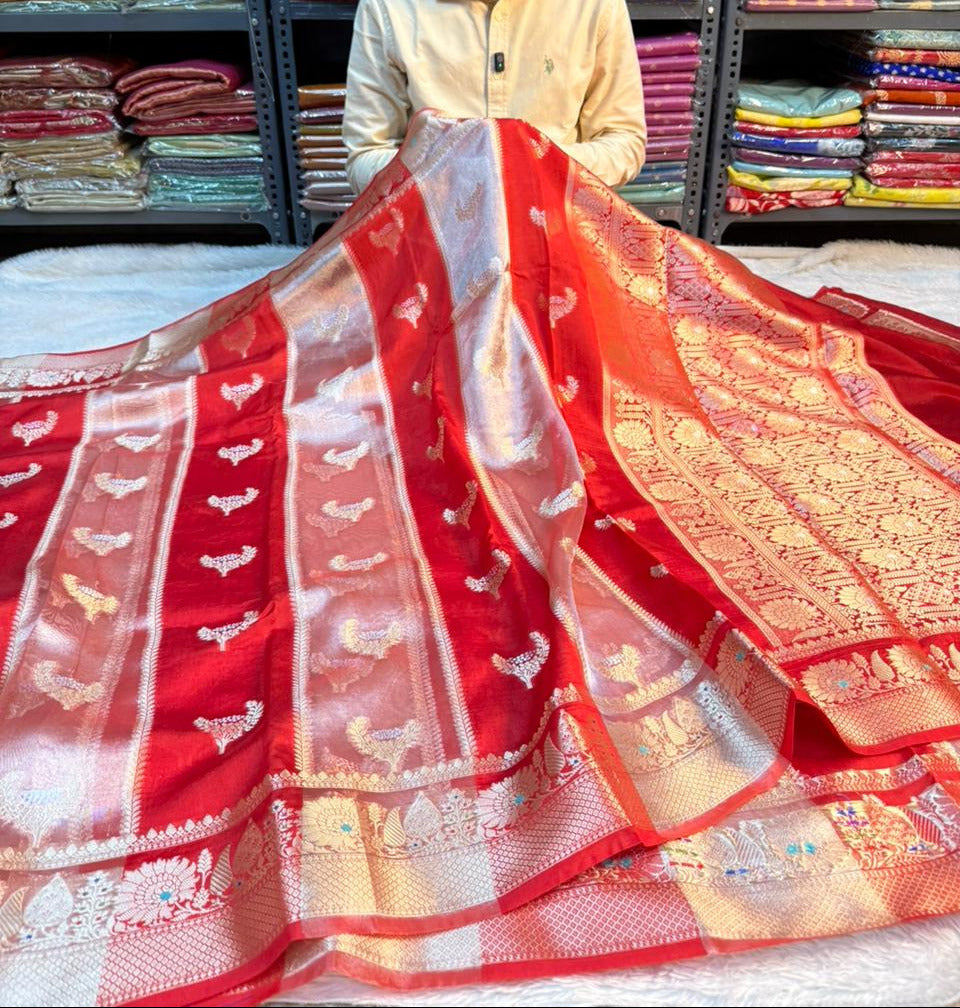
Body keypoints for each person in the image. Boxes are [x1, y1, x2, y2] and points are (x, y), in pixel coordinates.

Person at [343, 0, 647, 194]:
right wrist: (451, 175)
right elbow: (366, 154)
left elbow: (624, 142)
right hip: (433, 245)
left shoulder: (595, 6)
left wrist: (535, 166)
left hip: (555, 238)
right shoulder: (389, 7)